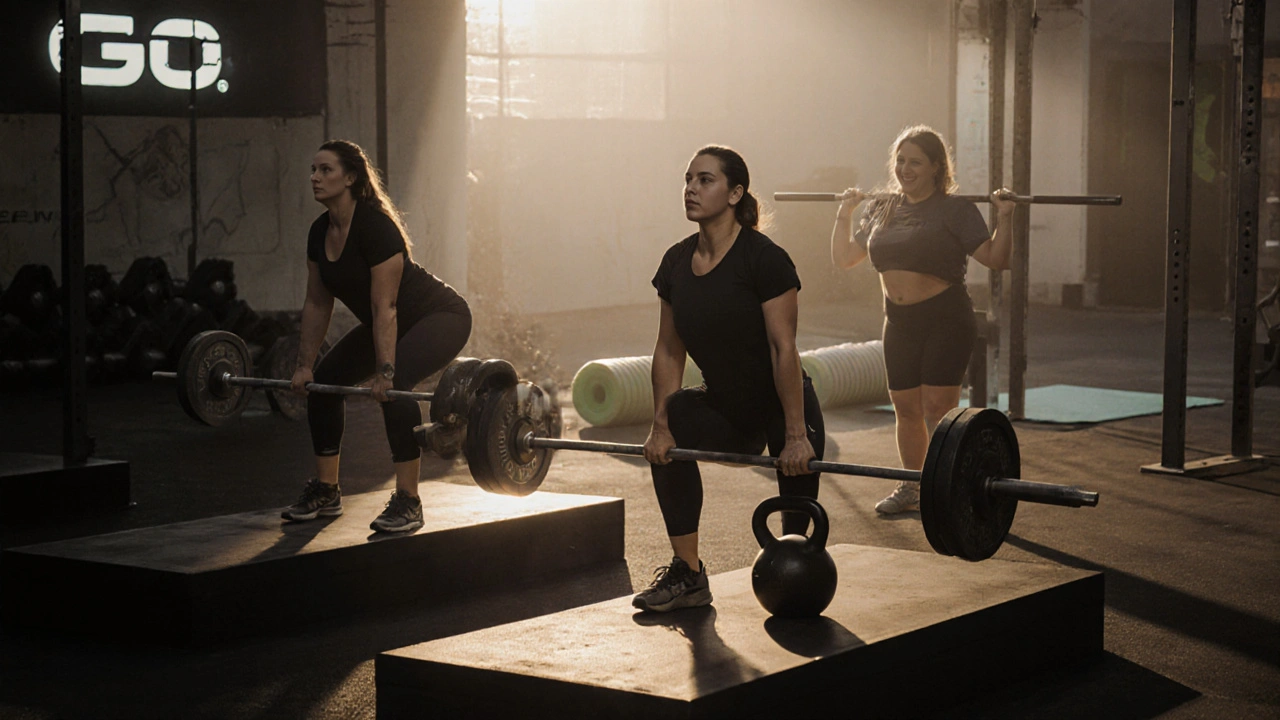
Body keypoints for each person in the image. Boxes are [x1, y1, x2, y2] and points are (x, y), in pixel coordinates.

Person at [632, 145, 826, 613]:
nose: (691, 189)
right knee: (675, 417)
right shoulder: (676, 263)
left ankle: (798, 585)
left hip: (785, 406)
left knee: (796, 538)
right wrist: (660, 425)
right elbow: (668, 348)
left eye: (705, 180)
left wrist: (796, 437)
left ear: (736, 193)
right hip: (727, 408)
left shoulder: (765, 259)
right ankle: (689, 576)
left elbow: (784, 349)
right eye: (688, 179)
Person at [281, 139, 472, 533]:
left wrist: (385, 371)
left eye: (325, 170)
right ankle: (327, 490)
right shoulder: (319, 233)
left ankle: (409, 501)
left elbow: (386, 307)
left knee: (397, 384)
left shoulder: (375, 228)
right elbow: (317, 303)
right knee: (324, 384)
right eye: (313, 170)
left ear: (350, 177)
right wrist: (304, 366)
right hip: (388, 322)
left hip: (440, 316)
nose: (315, 178)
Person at [829, 125, 1013, 514]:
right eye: (900, 160)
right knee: (906, 409)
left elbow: (997, 258)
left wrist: (1006, 216)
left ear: (935, 167)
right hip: (898, 321)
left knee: (938, 412)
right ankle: (912, 487)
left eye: (915, 162)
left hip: (945, 318)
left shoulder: (955, 209)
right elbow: (845, 258)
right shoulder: (882, 207)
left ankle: (952, 486)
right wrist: (844, 214)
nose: (905, 168)